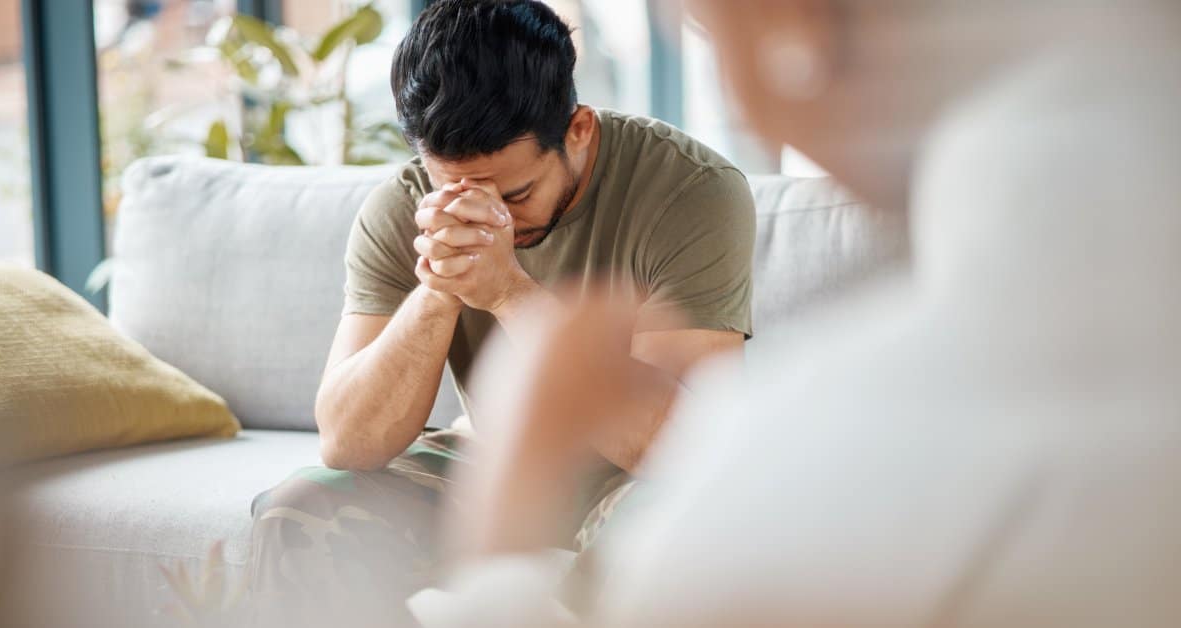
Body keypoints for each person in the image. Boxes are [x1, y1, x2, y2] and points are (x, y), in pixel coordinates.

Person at [423, 1, 1181, 626]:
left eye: (702, 28)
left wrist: (509, 518)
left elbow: (683, 455)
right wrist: (441, 285)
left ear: (792, 29)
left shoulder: (798, 475)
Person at [246, 0, 755, 624]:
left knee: (664, 526)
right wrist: (441, 285)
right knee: (298, 509)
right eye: (455, 190)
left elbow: (684, 448)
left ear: (578, 130)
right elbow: (347, 442)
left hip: (631, 478)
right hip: (489, 459)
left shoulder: (690, 191)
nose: (491, 219)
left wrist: (508, 291)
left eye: (517, 194)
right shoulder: (399, 208)